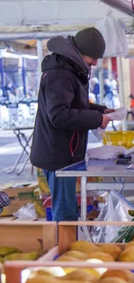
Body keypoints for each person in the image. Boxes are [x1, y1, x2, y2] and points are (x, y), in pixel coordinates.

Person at [30, 28, 113, 222]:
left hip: (67, 153)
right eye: (92, 57)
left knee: (68, 209)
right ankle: (64, 249)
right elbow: (59, 115)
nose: (95, 62)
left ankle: (68, 244)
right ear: (78, 52)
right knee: (65, 213)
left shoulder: (71, 69)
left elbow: (75, 104)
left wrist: (100, 111)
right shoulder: (60, 74)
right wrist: (96, 120)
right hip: (58, 155)